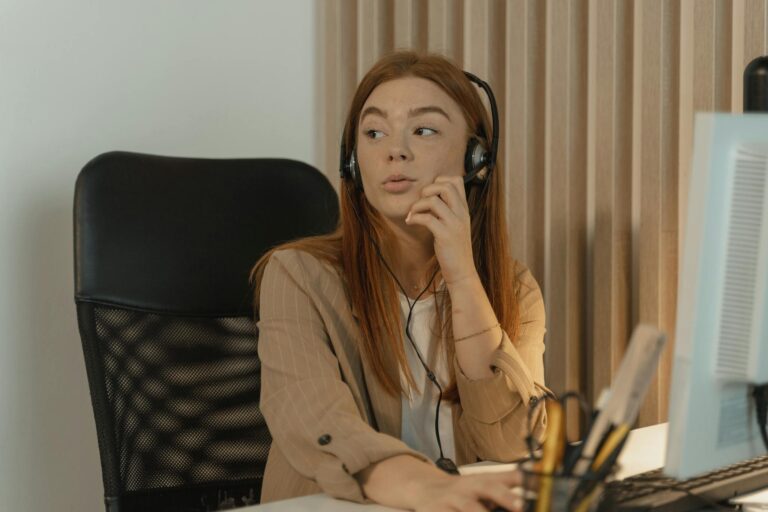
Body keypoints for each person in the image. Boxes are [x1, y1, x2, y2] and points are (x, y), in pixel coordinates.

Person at [250, 50, 550, 511]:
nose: (395, 150)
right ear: (353, 163)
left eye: (423, 130)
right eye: (374, 133)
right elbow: (317, 422)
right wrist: (428, 488)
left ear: (476, 158)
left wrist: (464, 276)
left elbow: (513, 443)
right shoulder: (297, 276)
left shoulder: (513, 288)